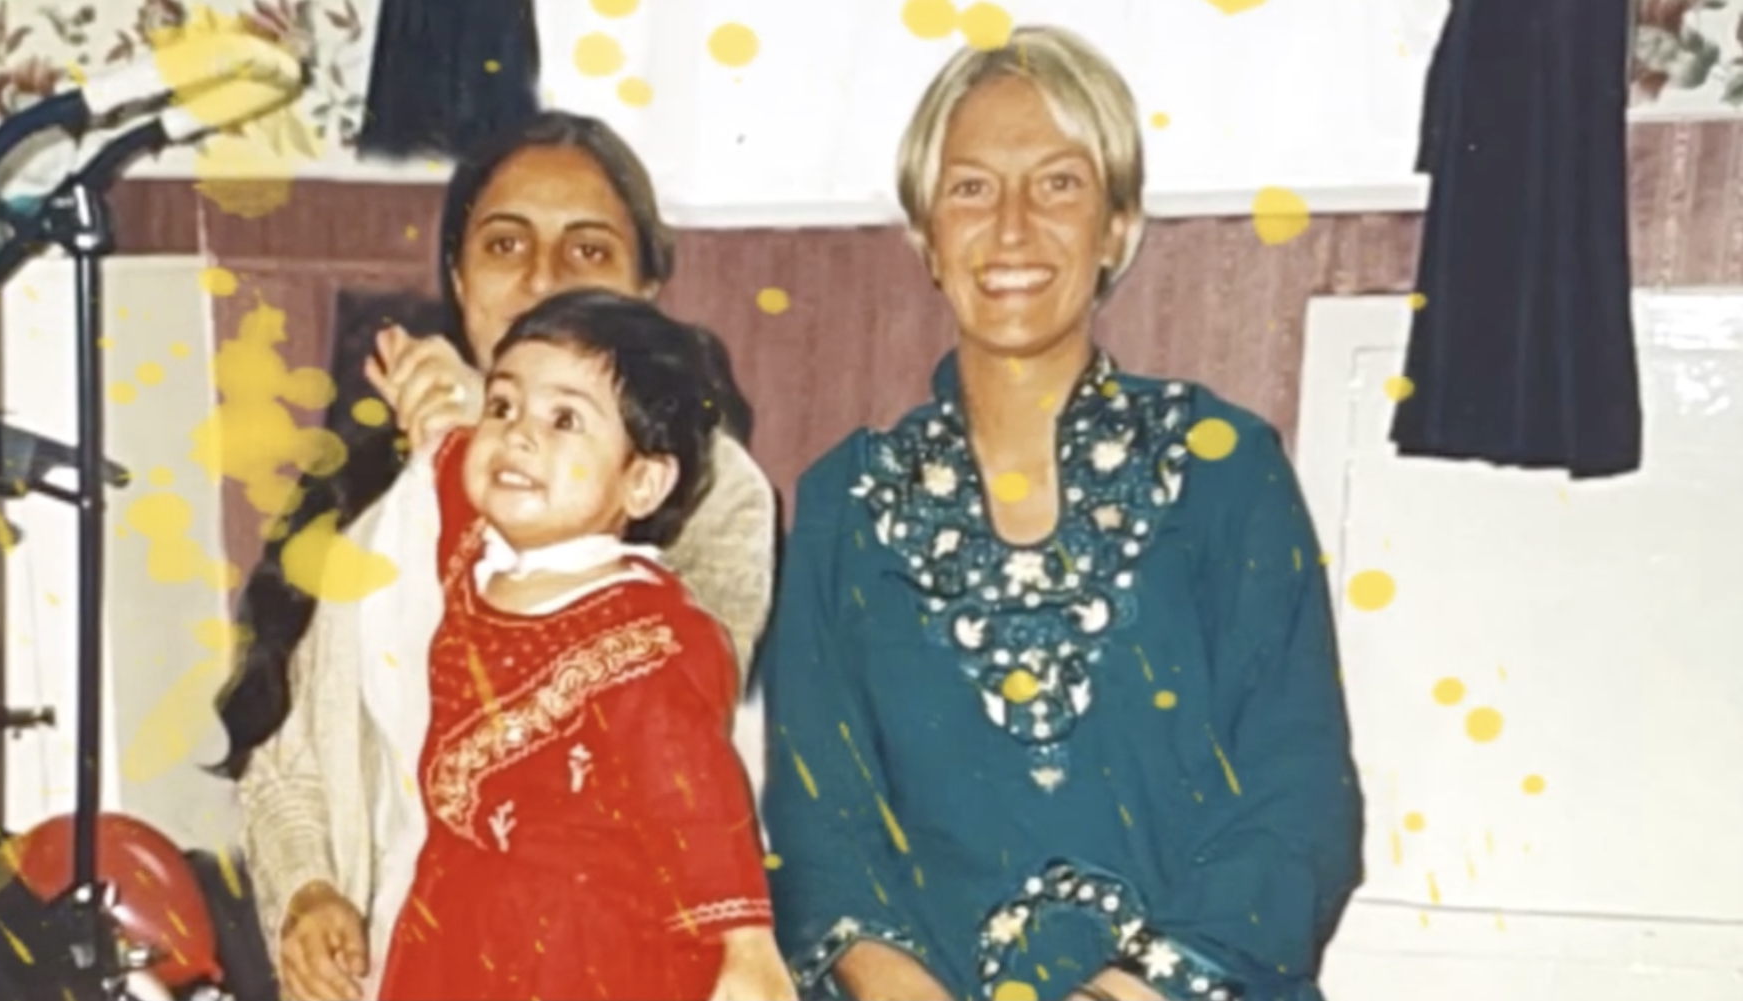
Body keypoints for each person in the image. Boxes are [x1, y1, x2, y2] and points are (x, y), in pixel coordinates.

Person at [757, 27, 1364, 1001]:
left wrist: (1126, 990)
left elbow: (1299, 797)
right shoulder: (847, 502)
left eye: (1057, 183)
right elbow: (816, 818)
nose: (1008, 228)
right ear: (923, 233)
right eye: (968, 188)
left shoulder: (1222, 469)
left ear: (1116, 225)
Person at [225, 111, 780, 1001]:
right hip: (408, 957)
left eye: (588, 250)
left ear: (645, 284)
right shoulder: (384, 490)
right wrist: (308, 892)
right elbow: (281, 756)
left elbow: (676, 737)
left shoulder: (709, 488)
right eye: (505, 243)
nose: (541, 277)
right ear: (457, 275)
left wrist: (481, 423)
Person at [373, 289, 793, 1001]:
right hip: (450, 941)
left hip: (589, 955)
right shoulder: (476, 550)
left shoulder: (650, 641)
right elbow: (453, 458)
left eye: (564, 419)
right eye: (503, 406)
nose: (518, 436)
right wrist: (431, 392)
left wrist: (746, 945)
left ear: (643, 480)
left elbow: (699, 803)